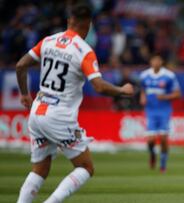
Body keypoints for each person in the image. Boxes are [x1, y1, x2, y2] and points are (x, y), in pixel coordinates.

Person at [15, 4, 134, 203]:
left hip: (37, 111)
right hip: (59, 115)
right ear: (88, 24)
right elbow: (99, 86)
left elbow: (20, 65)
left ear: (70, 20)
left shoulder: (48, 41)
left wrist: (25, 94)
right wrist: (122, 90)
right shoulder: (83, 50)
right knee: (86, 167)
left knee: (40, 169)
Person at [140, 53, 181, 173]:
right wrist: (142, 96)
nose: (155, 63)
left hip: (164, 111)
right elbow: (143, 88)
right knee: (150, 140)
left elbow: (178, 94)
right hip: (150, 110)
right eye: (153, 60)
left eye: (158, 60)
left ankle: (163, 164)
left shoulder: (169, 76)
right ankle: (152, 154)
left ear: (161, 61)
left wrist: (166, 96)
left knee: (163, 139)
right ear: (151, 61)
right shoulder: (144, 75)